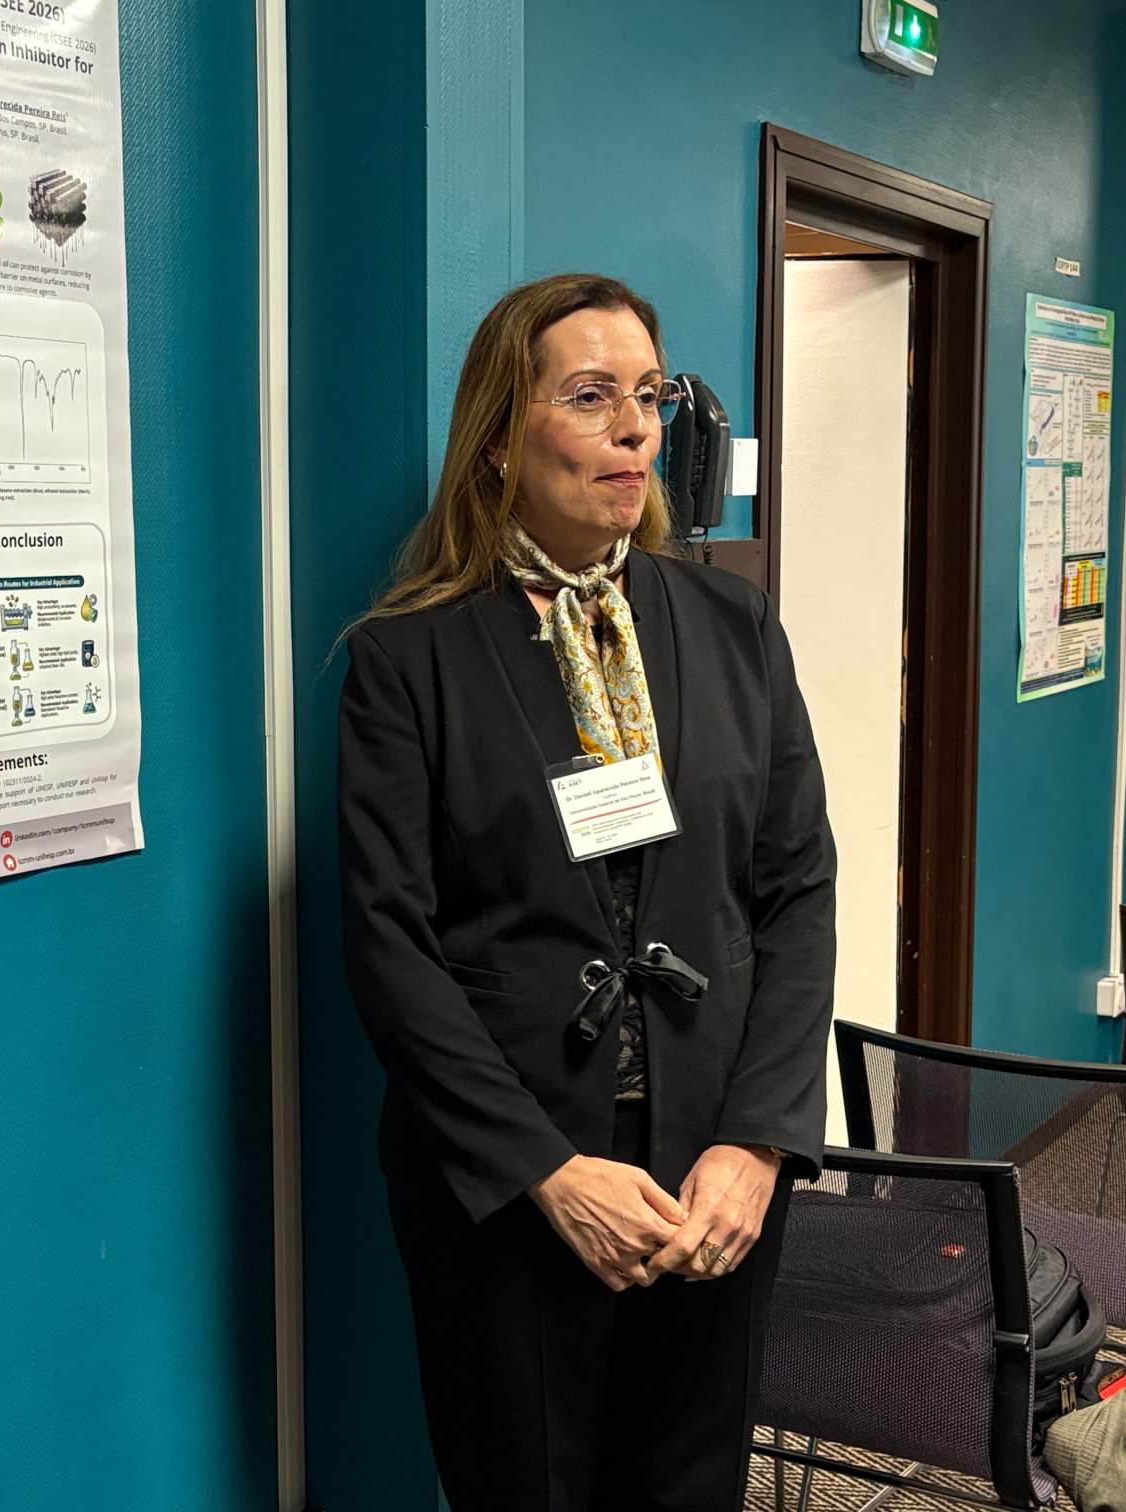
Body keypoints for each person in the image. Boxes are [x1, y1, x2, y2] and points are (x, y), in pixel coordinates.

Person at [337, 272, 837, 1510]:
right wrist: (545, 1171)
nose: (634, 430)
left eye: (650, 397)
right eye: (591, 396)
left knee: (690, 1485)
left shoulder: (732, 626)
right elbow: (390, 943)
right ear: (500, 437)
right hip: (511, 1178)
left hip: (709, 1162)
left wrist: (759, 1143)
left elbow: (796, 893)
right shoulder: (407, 660)